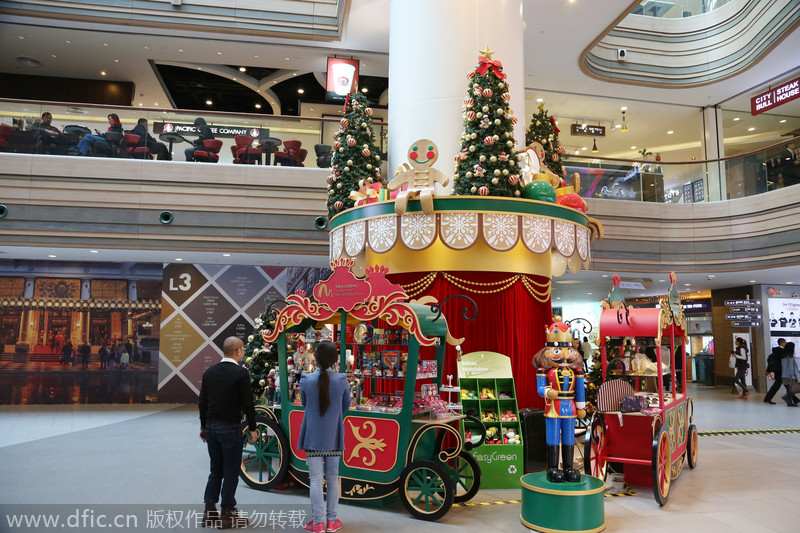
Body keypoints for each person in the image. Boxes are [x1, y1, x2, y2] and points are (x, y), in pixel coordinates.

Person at [199, 336, 258, 529]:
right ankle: (227, 513)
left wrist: (203, 427)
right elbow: (248, 403)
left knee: (215, 470)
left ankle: (209, 511)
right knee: (231, 471)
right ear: (238, 351)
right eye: (243, 350)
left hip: (211, 427)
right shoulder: (241, 374)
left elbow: (202, 403)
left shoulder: (209, 373)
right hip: (230, 427)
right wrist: (253, 427)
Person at [298, 340, 350, 533]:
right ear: (335, 359)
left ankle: (318, 523)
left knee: (315, 479)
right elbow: (345, 406)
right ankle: (332, 521)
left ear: (316, 358)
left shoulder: (305, 379)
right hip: (334, 435)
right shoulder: (342, 379)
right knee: (333, 478)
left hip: (312, 435)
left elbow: (304, 403)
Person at [534, 322, 585, 484]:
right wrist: (549, 392)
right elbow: (540, 389)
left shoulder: (575, 372)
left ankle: (569, 467)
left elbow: (580, 390)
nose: (564, 357)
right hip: (553, 408)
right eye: (557, 351)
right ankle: (552, 468)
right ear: (547, 352)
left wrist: (581, 406)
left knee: (570, 437)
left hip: (569, 407)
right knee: (553, 437)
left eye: (569, 351)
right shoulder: (544, 371)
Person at [780, 341, 800, 407]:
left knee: (789, 388)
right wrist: (793, 375)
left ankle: (790, 402)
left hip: (784, 375)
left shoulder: (783, 355)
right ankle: (786, 397)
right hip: (790, 375)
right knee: (792, 389)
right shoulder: (790, 356)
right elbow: (791, 367)